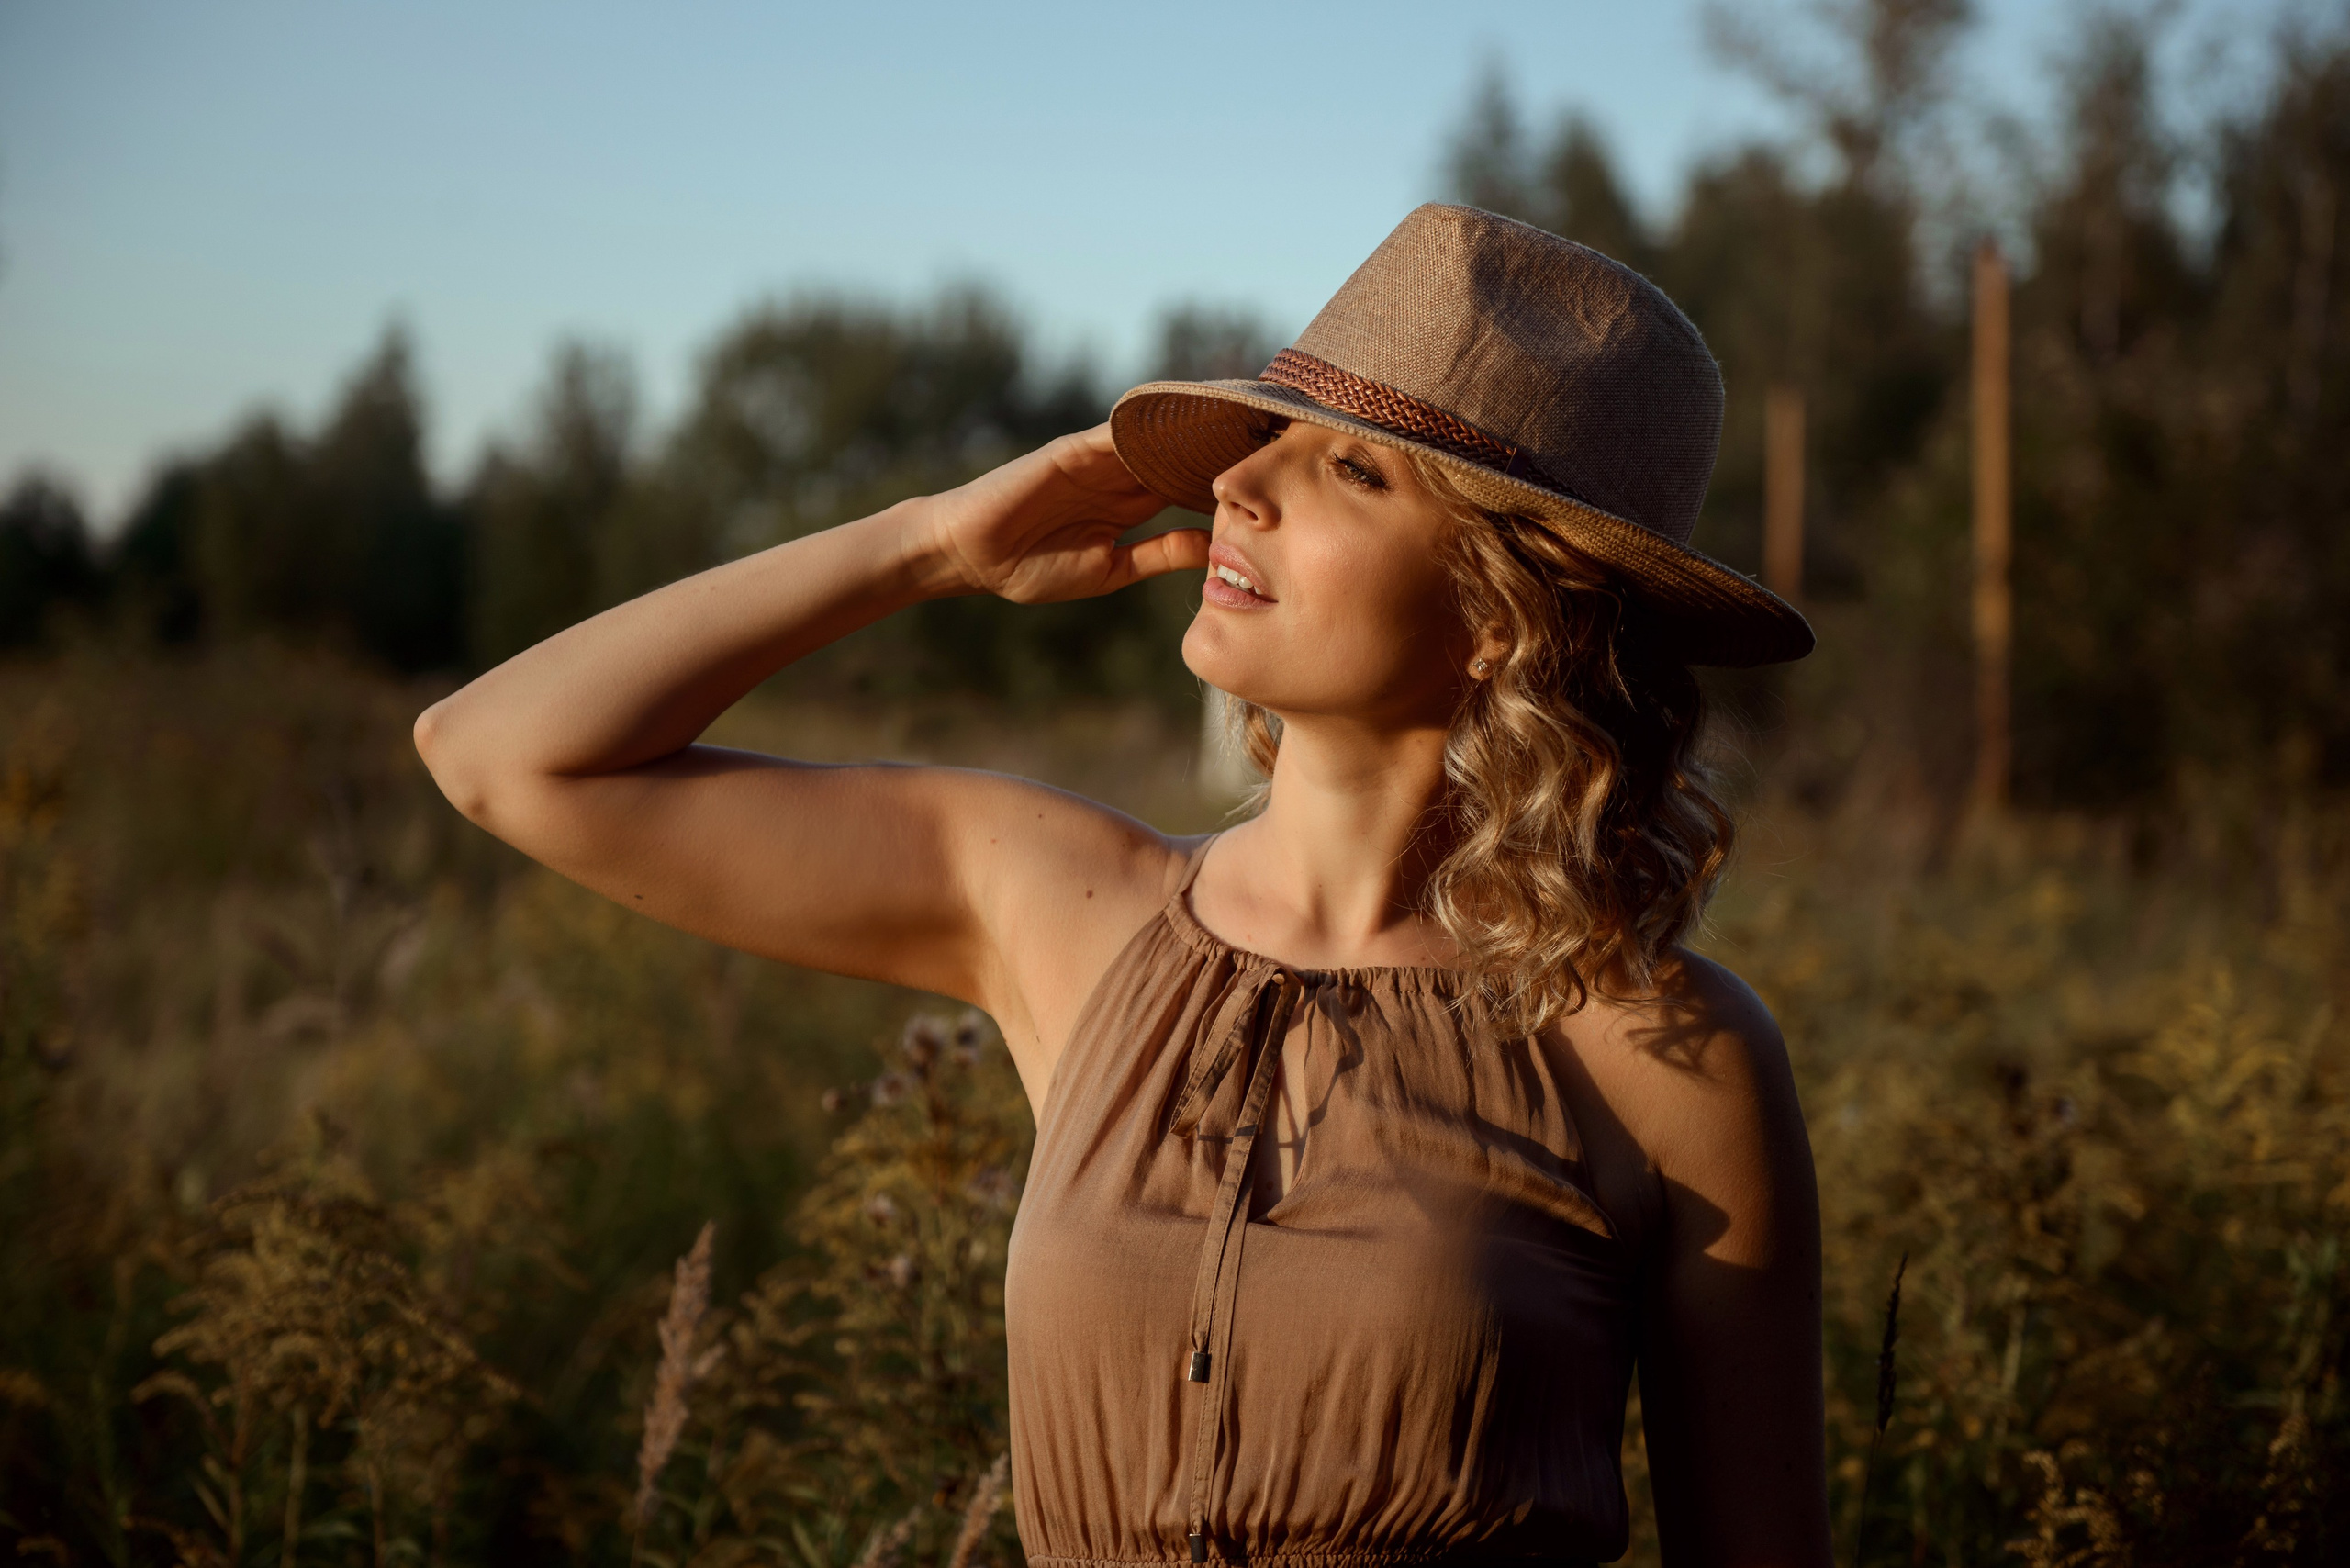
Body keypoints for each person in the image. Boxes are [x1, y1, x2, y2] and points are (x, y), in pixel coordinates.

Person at [414, 204, 1831, 1568]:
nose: (1235, 485)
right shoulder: (1061, 905)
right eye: (1267, 438)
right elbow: (501, 756)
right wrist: (932, 545)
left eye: (1347, 470)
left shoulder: (1663, 1056)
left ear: (1506, 609)